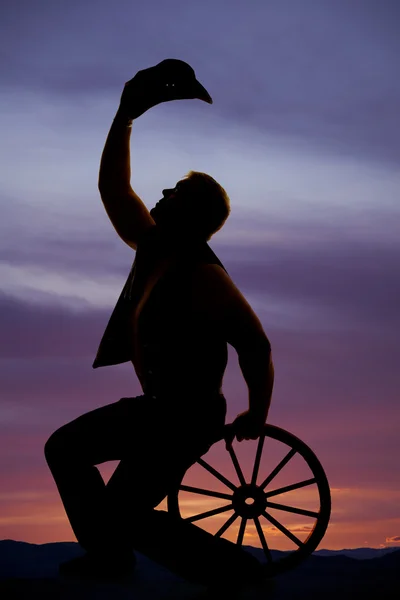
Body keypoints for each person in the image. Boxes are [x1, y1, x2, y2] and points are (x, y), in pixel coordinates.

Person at [44, 60, 274, 587]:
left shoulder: (202, 273)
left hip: (184, 416)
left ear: (189, 213)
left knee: (100, 489)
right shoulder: (158, 250)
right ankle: (125, 556)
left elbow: (255, 345)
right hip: (159, 411)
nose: (160, 196)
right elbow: (114, 190)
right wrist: (124, 119)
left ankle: (230, 573)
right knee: (94, 482)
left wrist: (256, 413)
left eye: (172, 192)